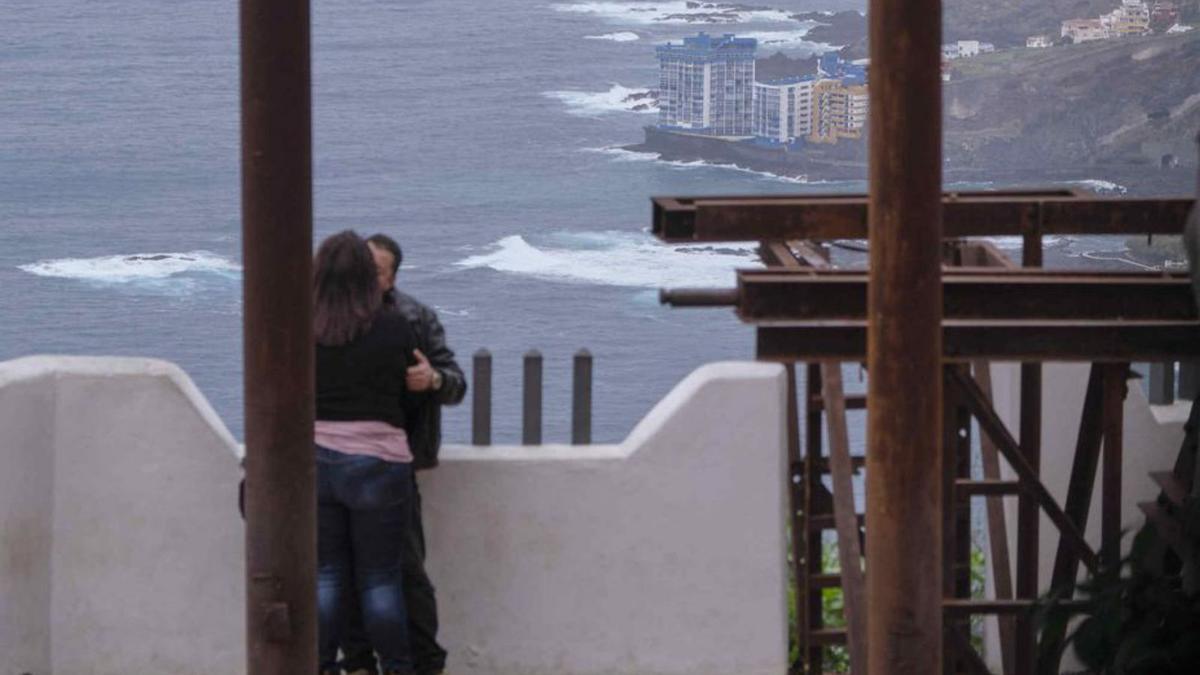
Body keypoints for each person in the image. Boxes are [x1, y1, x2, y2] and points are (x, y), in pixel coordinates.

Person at [337, 233, 466, 675]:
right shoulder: (331, 320)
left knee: (407, 572)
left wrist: (431, 380)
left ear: (391, 277)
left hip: (398, 463)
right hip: (346, 462)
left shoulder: (414, 318)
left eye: (377, 270)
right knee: (347, 571)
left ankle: (424, 663)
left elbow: (455, 383)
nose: (368, 277)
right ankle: (357, 662)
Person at [314, 230, 420, 675]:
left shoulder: (304, 324)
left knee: (326, 576)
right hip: (378, 462)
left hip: (315, 460)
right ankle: (397, 668)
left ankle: (316, 663)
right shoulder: (393, 326)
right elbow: (409, 397)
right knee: (380, 580)